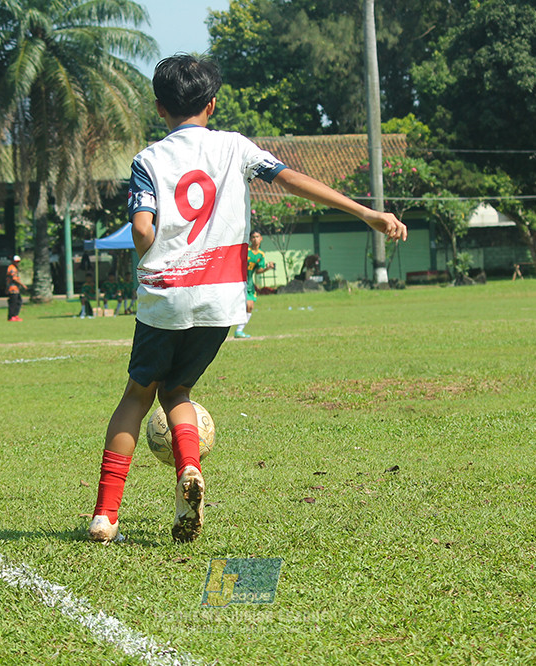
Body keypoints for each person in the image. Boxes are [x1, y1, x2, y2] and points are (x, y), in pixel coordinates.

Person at [88, 54, 407, 544]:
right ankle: (188, 467)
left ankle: (106, 516)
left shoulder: (149, 160)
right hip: (220, 299)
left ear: (158, 107)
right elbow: (293, 179)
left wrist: (150, 245)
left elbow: (142, 229)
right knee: (178, 392)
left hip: (166, 295)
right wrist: (366, 213)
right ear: (212, 104)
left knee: (138, 395)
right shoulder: (236, 148)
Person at [234, 230, 275, 338]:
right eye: (253, 237)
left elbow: (258, 270)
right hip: (238, 281)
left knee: (250, 306)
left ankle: (239, 331)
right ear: (250, 239)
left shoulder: (261, 254)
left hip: (249, 283)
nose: (255, 239)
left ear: (261, 238)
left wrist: (267, 268)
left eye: (257, 236)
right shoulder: (246, 250)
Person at [6, 255, 25, 322]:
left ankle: (15, 315)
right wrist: (22, 284)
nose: (17, 263)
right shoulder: (12, 268)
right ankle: (11, 316)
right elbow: (14, 278)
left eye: (18, 262)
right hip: (12, 288)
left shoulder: (14, 268)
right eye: (16, 262)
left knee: (18, 301)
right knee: (13, 303)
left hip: (16, 289)